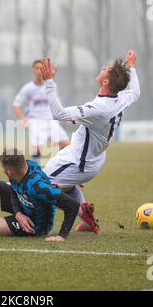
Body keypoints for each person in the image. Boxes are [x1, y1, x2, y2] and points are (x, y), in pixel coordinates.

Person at [40, 50, 140, 232]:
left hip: (78, 161)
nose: (103, 67)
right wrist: (131, 67)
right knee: (61, 184)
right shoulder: (121, 98)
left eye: (106, 69)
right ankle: (86, 216)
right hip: (89, 157)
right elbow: (135, 91)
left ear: (106, 81)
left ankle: (76, 210)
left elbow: (58, 114)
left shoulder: (99, 108)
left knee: (39, 188)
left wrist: (48, 82)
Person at [13, 60, 69, 164]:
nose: (40, 71)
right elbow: (16, 105)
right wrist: (23, 119)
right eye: (37, 68)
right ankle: (34, 172)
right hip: (35, 121)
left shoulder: (52, 86)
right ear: (33, 70)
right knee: (37, 149)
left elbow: (56, 103)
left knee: (66, 145)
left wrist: (63, 116)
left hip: (51, 120)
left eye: (42, 68)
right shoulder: (28, 88)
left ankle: (60, 167)